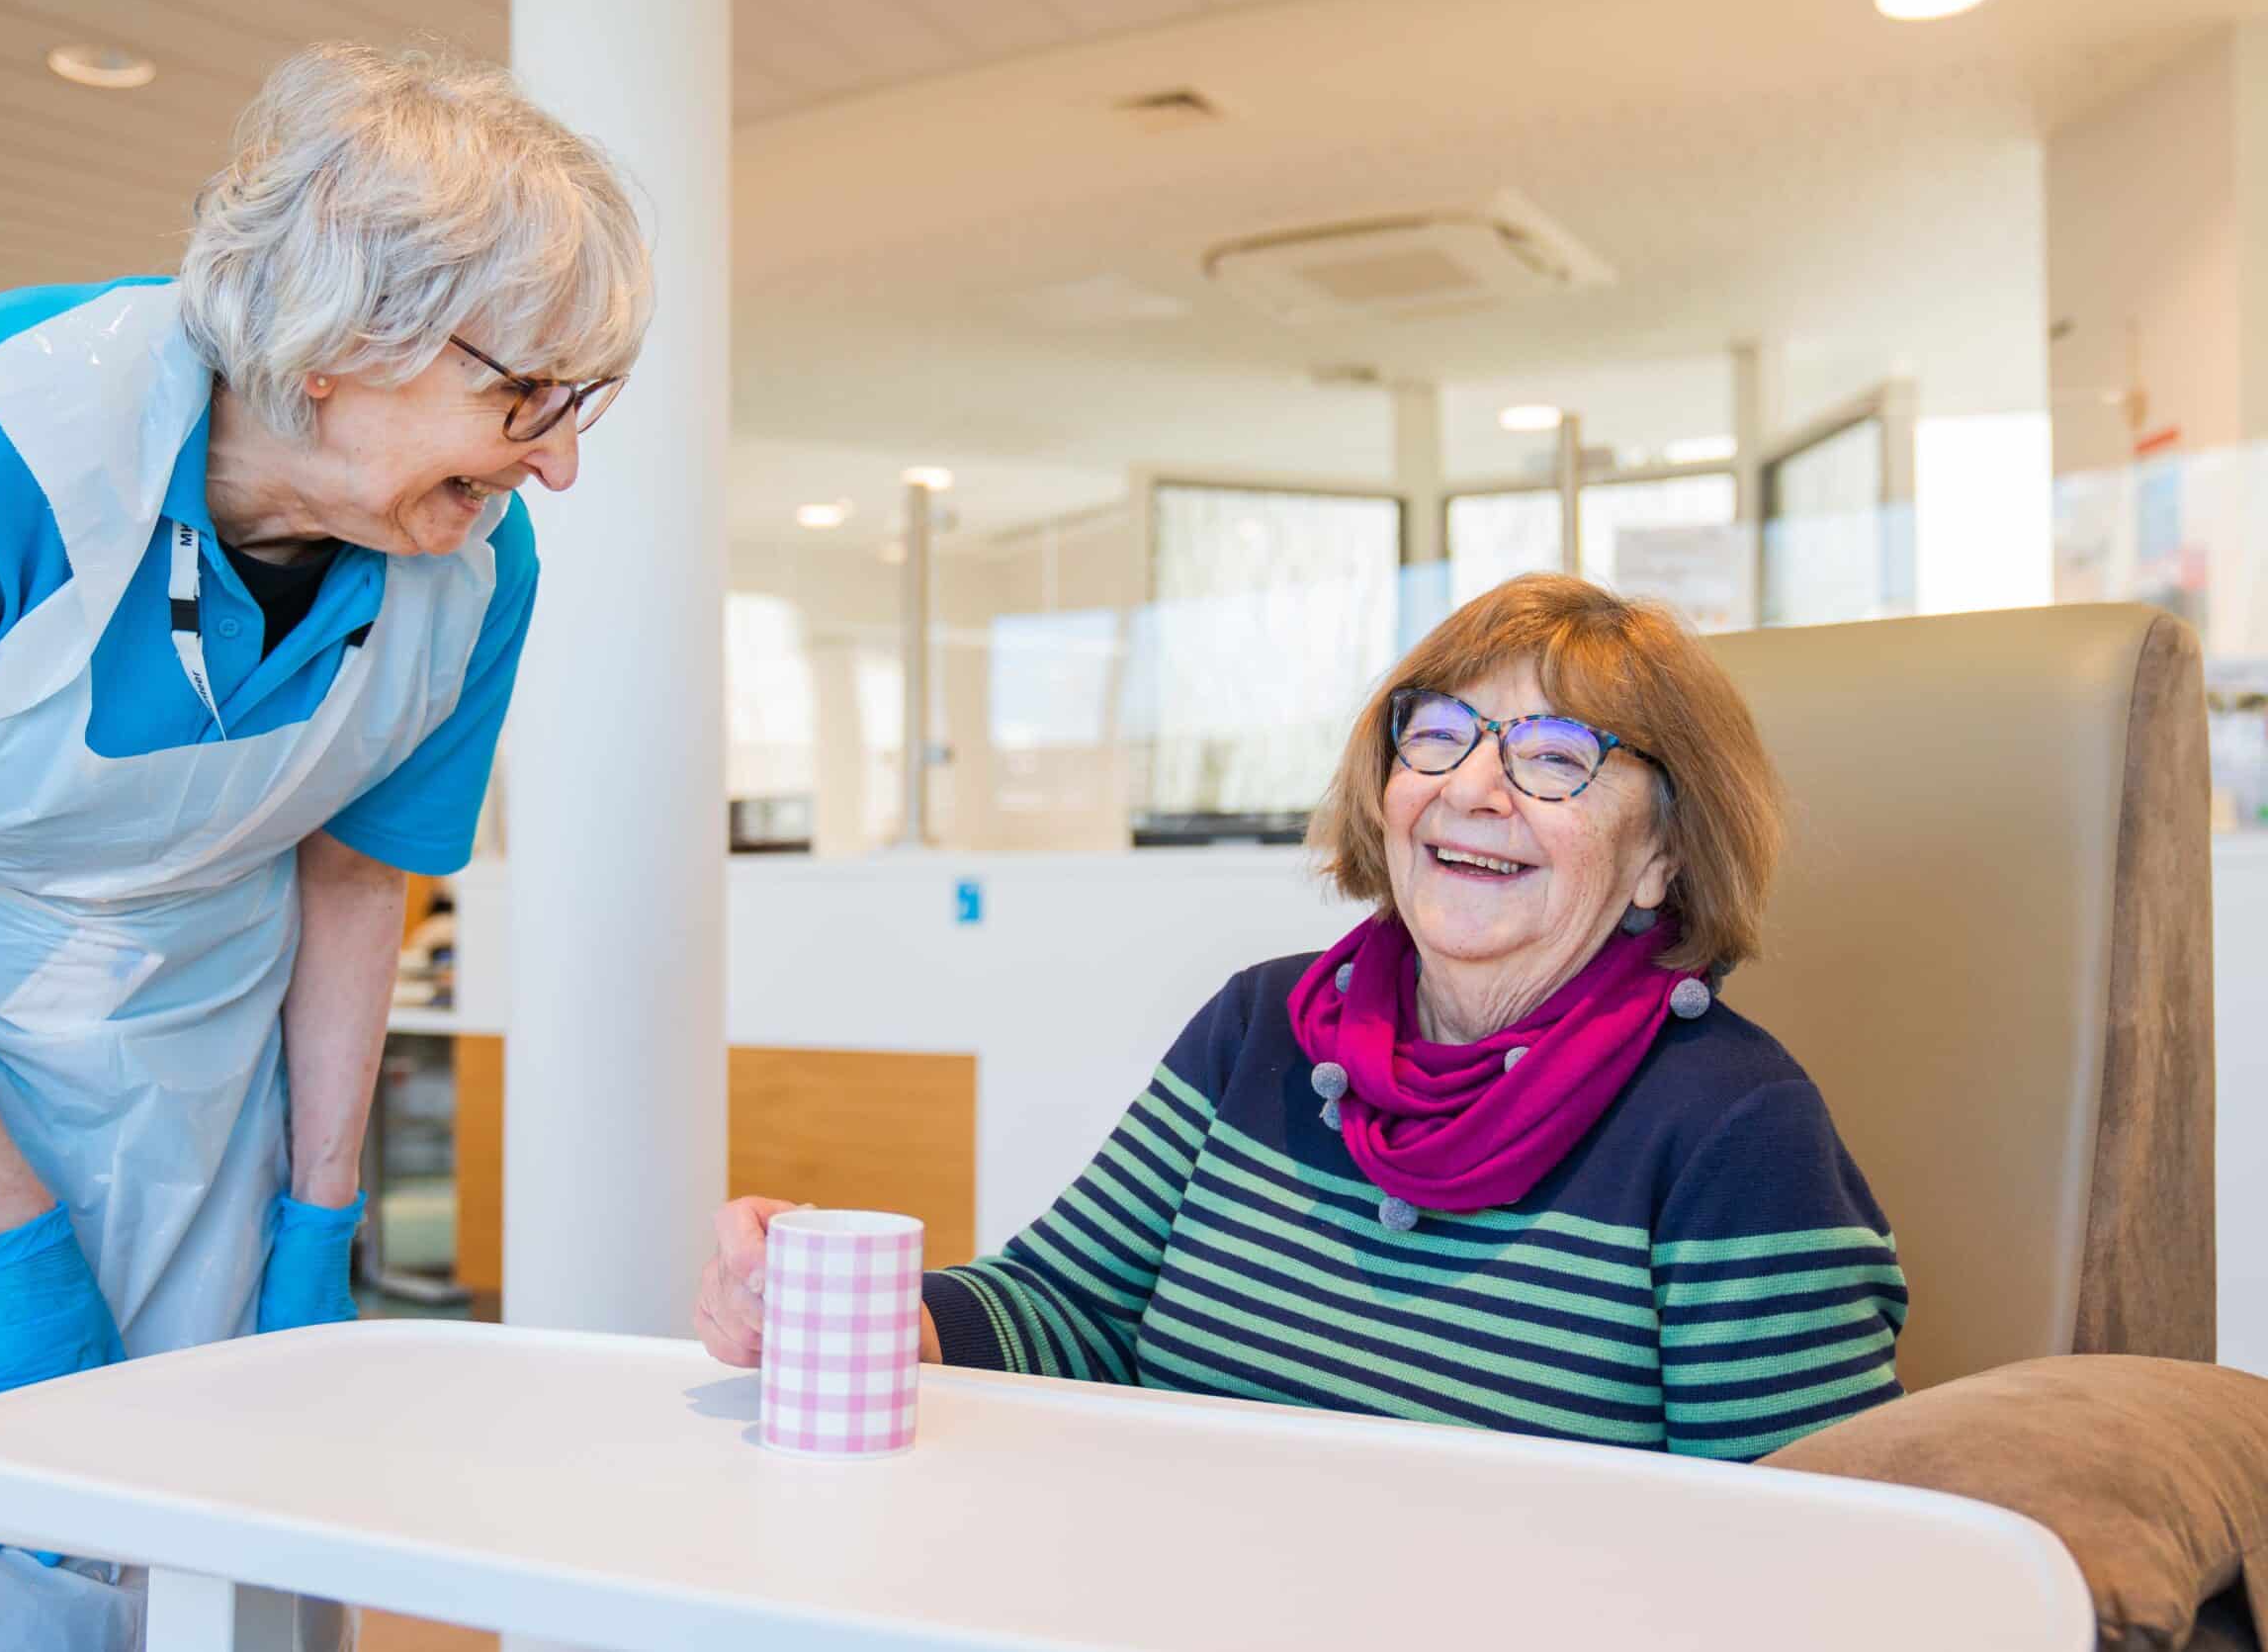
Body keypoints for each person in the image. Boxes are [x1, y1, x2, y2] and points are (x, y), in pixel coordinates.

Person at [0, 44, 651, 1648]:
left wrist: (319, 1216)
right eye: (529, 397)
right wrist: (9, 1246)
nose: (558, 460)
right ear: (344, 346)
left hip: (211, 1083)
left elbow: (358, 881)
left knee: (226, 1565)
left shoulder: (476, 567)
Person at [699, 574, 1906, 1461]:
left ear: (1662, 855)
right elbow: (1077, 1305)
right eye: (1437, 734)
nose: (1470, 787)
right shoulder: (1264, 1023)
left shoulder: (1738, 1129)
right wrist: (856, 1314)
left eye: (1554, 756)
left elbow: (1803, 1546)